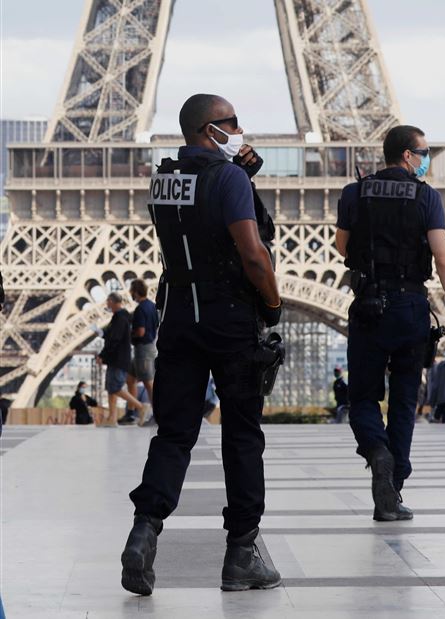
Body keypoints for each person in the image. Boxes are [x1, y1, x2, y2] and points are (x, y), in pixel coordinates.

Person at [121, 93, 283, 595]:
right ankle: (242, 554)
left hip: (179, 318)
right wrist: (273, 303)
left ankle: (144, 531)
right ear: (211, 129)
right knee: (241, 435)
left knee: (173, 434)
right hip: (230, 316)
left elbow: (196, 219)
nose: (240, 130)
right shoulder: (228, 177)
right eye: (232, 123)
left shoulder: (164, 178)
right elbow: (252, 254)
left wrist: (241, 177)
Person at [335, 124, 445, 522]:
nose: (427, 158)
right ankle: (393, 487)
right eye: (423, 151)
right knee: (405, 401)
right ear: (408, 156)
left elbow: (342, 247)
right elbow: (443, 258)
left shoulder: (354, 193)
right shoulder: (425, 196)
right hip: (410, 305)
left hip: (369, 304)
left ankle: (376, 451)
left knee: (361, 398)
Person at [97, 293, 147, 427]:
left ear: (113, 301)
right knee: (111, 388)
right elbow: (114, 337)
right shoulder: (121, 317)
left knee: (115, 387)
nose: (107, 304)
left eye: (108, 301)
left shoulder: (119, 319)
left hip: (117, 359)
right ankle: (112, 419)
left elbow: (114, 340)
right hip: (118, 358)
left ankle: (141, 406)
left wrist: (103, 355)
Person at [120, 279, 159, 426]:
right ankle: (132, 413)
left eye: (131, 291)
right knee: (130, 379)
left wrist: (129, 335)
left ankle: (157, 415)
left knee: (149, 384)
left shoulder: (141, 309)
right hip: (146, 348)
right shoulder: (152, 306)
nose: (130, 293)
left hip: (143, 349)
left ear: (135, 292)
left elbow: (141, 332)